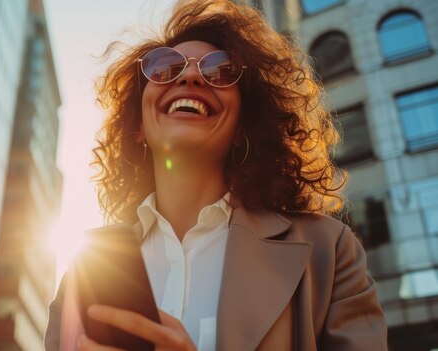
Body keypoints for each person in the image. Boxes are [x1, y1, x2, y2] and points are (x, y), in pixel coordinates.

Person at [46, 0, 388, 350]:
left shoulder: (329, 250)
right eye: (164, 68)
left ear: (244, 125)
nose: (190, 76)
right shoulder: (83, 275)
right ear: (137, 126)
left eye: (220, 71)